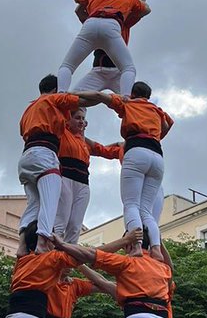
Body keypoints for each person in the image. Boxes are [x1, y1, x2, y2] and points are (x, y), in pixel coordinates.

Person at [87, 83, 173, 249]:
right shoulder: (157, 110)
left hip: (138, 158)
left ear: (132, 94)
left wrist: (71, 94)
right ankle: (155, 249)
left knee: (132, 205)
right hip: (156, 157)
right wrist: (154, 134)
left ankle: (136, 247)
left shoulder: (129, 105)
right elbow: (167, 125)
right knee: (148, 214)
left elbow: (100, 96)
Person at [17, 76, 81, 254]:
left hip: (26, 157)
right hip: (44, 154)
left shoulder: (29, 109)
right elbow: (80, 100)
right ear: (56, 89)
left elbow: (23, 132)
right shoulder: (54, 99)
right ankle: (42, 242)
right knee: (50, 202)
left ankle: (22, 245)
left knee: (34, 204)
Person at [56, 0, 149, 98]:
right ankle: (126, 99)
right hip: (112, 26)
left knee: (67, 65)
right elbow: (146, 9)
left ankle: (60, 94)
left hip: (91, 23)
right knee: (129, 68)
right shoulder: (127, 0)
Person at [54, 106, 123, 245]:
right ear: (68, 119)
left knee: (75, 225)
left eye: (83, 119)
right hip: (65, 178)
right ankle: (52, 254)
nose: (81, 122)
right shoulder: (62, 133)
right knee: (61, 221)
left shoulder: (84, 141)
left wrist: (121, 145)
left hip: (83, 183)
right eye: (77, 118)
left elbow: (104, 150)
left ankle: (68, 260)